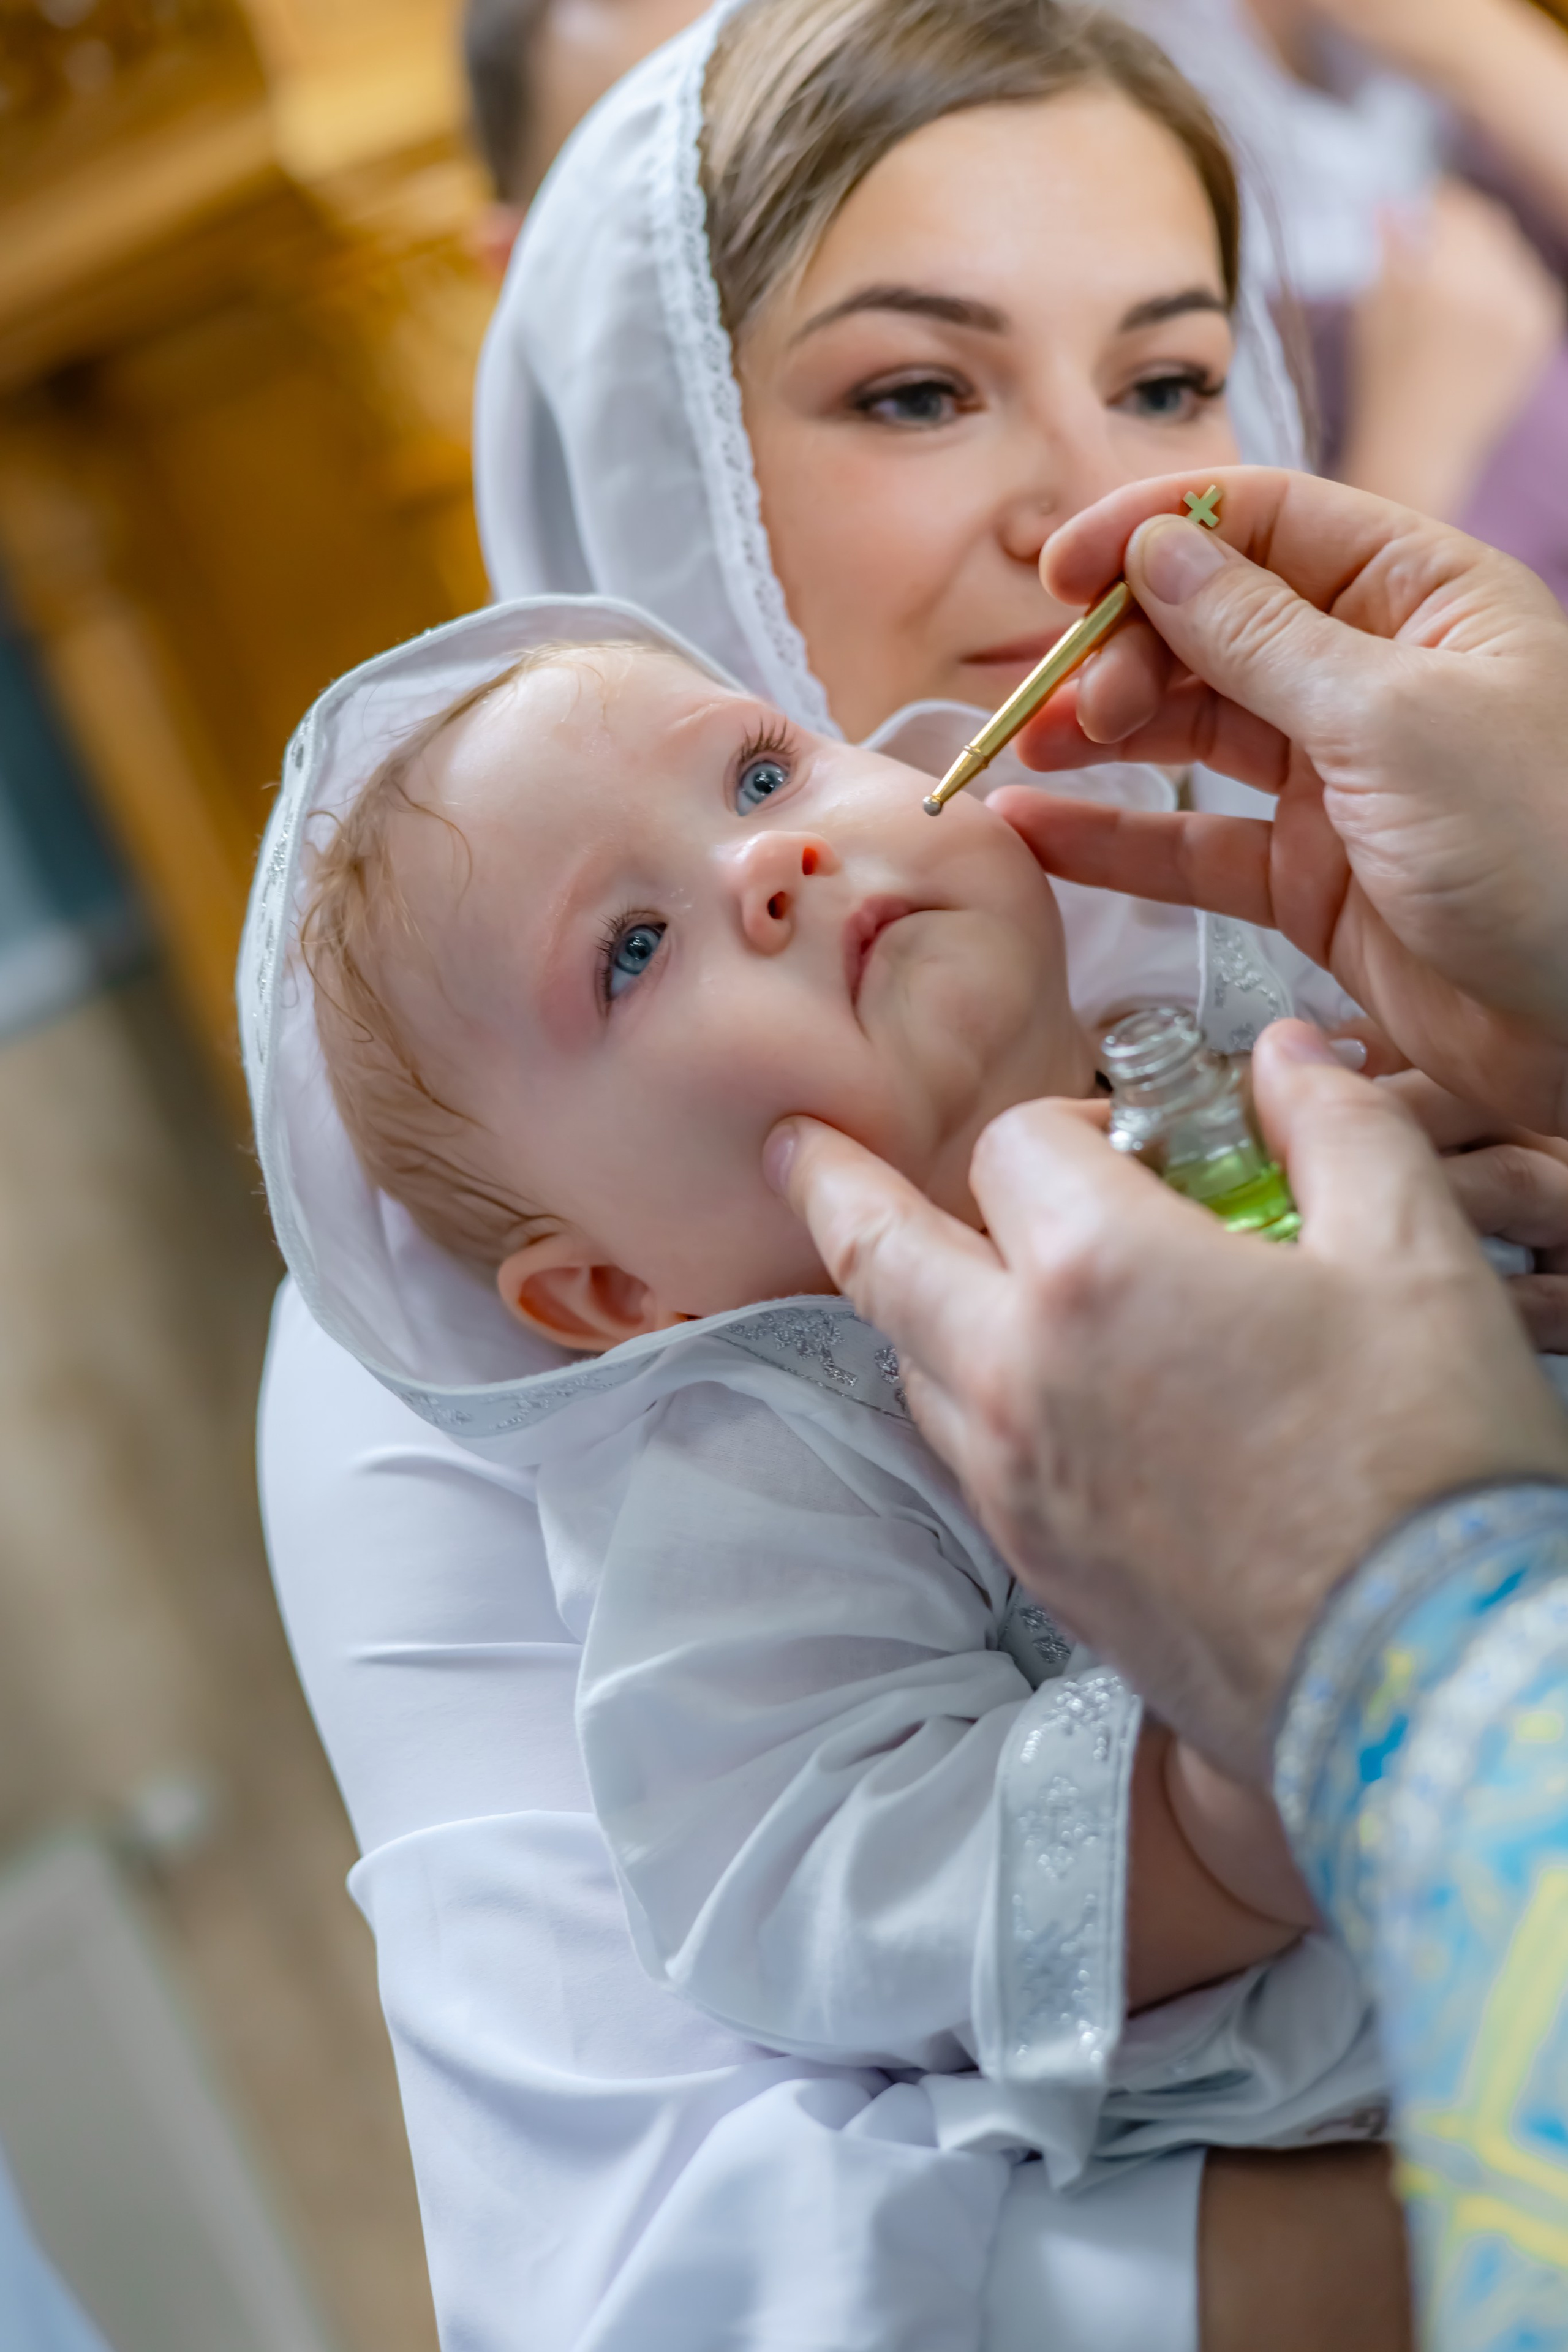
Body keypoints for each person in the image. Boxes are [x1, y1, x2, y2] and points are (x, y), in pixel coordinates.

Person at [257, 7, 1415, 2346]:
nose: (1105, 514)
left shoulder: (1408, 929)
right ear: (663, 440)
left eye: (1174, 381)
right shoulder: (513, 1347)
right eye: (919, 391)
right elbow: (641, 2278)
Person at [766, 467, 1568, 2343]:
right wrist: (1238, 1785)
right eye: (911, 404)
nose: (1071, 488)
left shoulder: (1343, 1006)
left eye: (1170, 382)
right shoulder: (719, 1483)